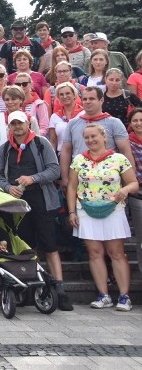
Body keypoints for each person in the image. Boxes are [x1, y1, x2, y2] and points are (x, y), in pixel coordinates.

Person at [0, 111, 73, 311]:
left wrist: (33, 178)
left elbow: (54, 170)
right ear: (9, 126)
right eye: (13, 123)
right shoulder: (4, 149)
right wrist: (6, 188)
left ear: (28, 123)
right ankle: (31, 287)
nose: (17, 127)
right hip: (16, 204)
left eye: (20, 123)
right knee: (26, 247)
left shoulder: (41, 143)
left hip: (41, 200)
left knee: (50, 246)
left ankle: (59, 289)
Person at [67, 123, 138, 311]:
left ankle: (124, 296)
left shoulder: (119, 159)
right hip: (86, 209)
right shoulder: (78, 160)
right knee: (94, 252)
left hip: (113, 209)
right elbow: (72, 187)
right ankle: (103, 294)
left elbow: (134, 183)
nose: (90, 140)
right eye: (87, 137)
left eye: (94, 136)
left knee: (116, 253)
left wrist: (124, 189)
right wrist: (72, 211)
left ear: (104, 137)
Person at [60, 87, 135, 187]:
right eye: (85, 99)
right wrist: (65, 178)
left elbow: (125, 151)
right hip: (80, 178)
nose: (87, 102)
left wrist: (129, 181)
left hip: (108, 179)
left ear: (101, 100)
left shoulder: (114, 123)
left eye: (92, 99)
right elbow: (66, 150)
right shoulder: (73, 123)